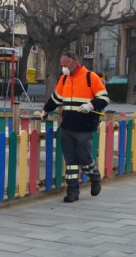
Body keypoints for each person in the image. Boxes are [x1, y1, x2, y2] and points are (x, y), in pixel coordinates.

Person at [42, 51, 110, 203]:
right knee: (71, 161)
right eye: (62, 65)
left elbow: (104, 98)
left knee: (84, 157)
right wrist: (45, 110)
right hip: (67, 126)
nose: (63, 68)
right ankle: (72, 192)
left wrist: (90, 105)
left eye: (65, 65)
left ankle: (94, 177)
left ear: (73, 62)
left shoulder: (90, 77)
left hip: (84, 126)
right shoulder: (64, 79)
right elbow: (56, 98)